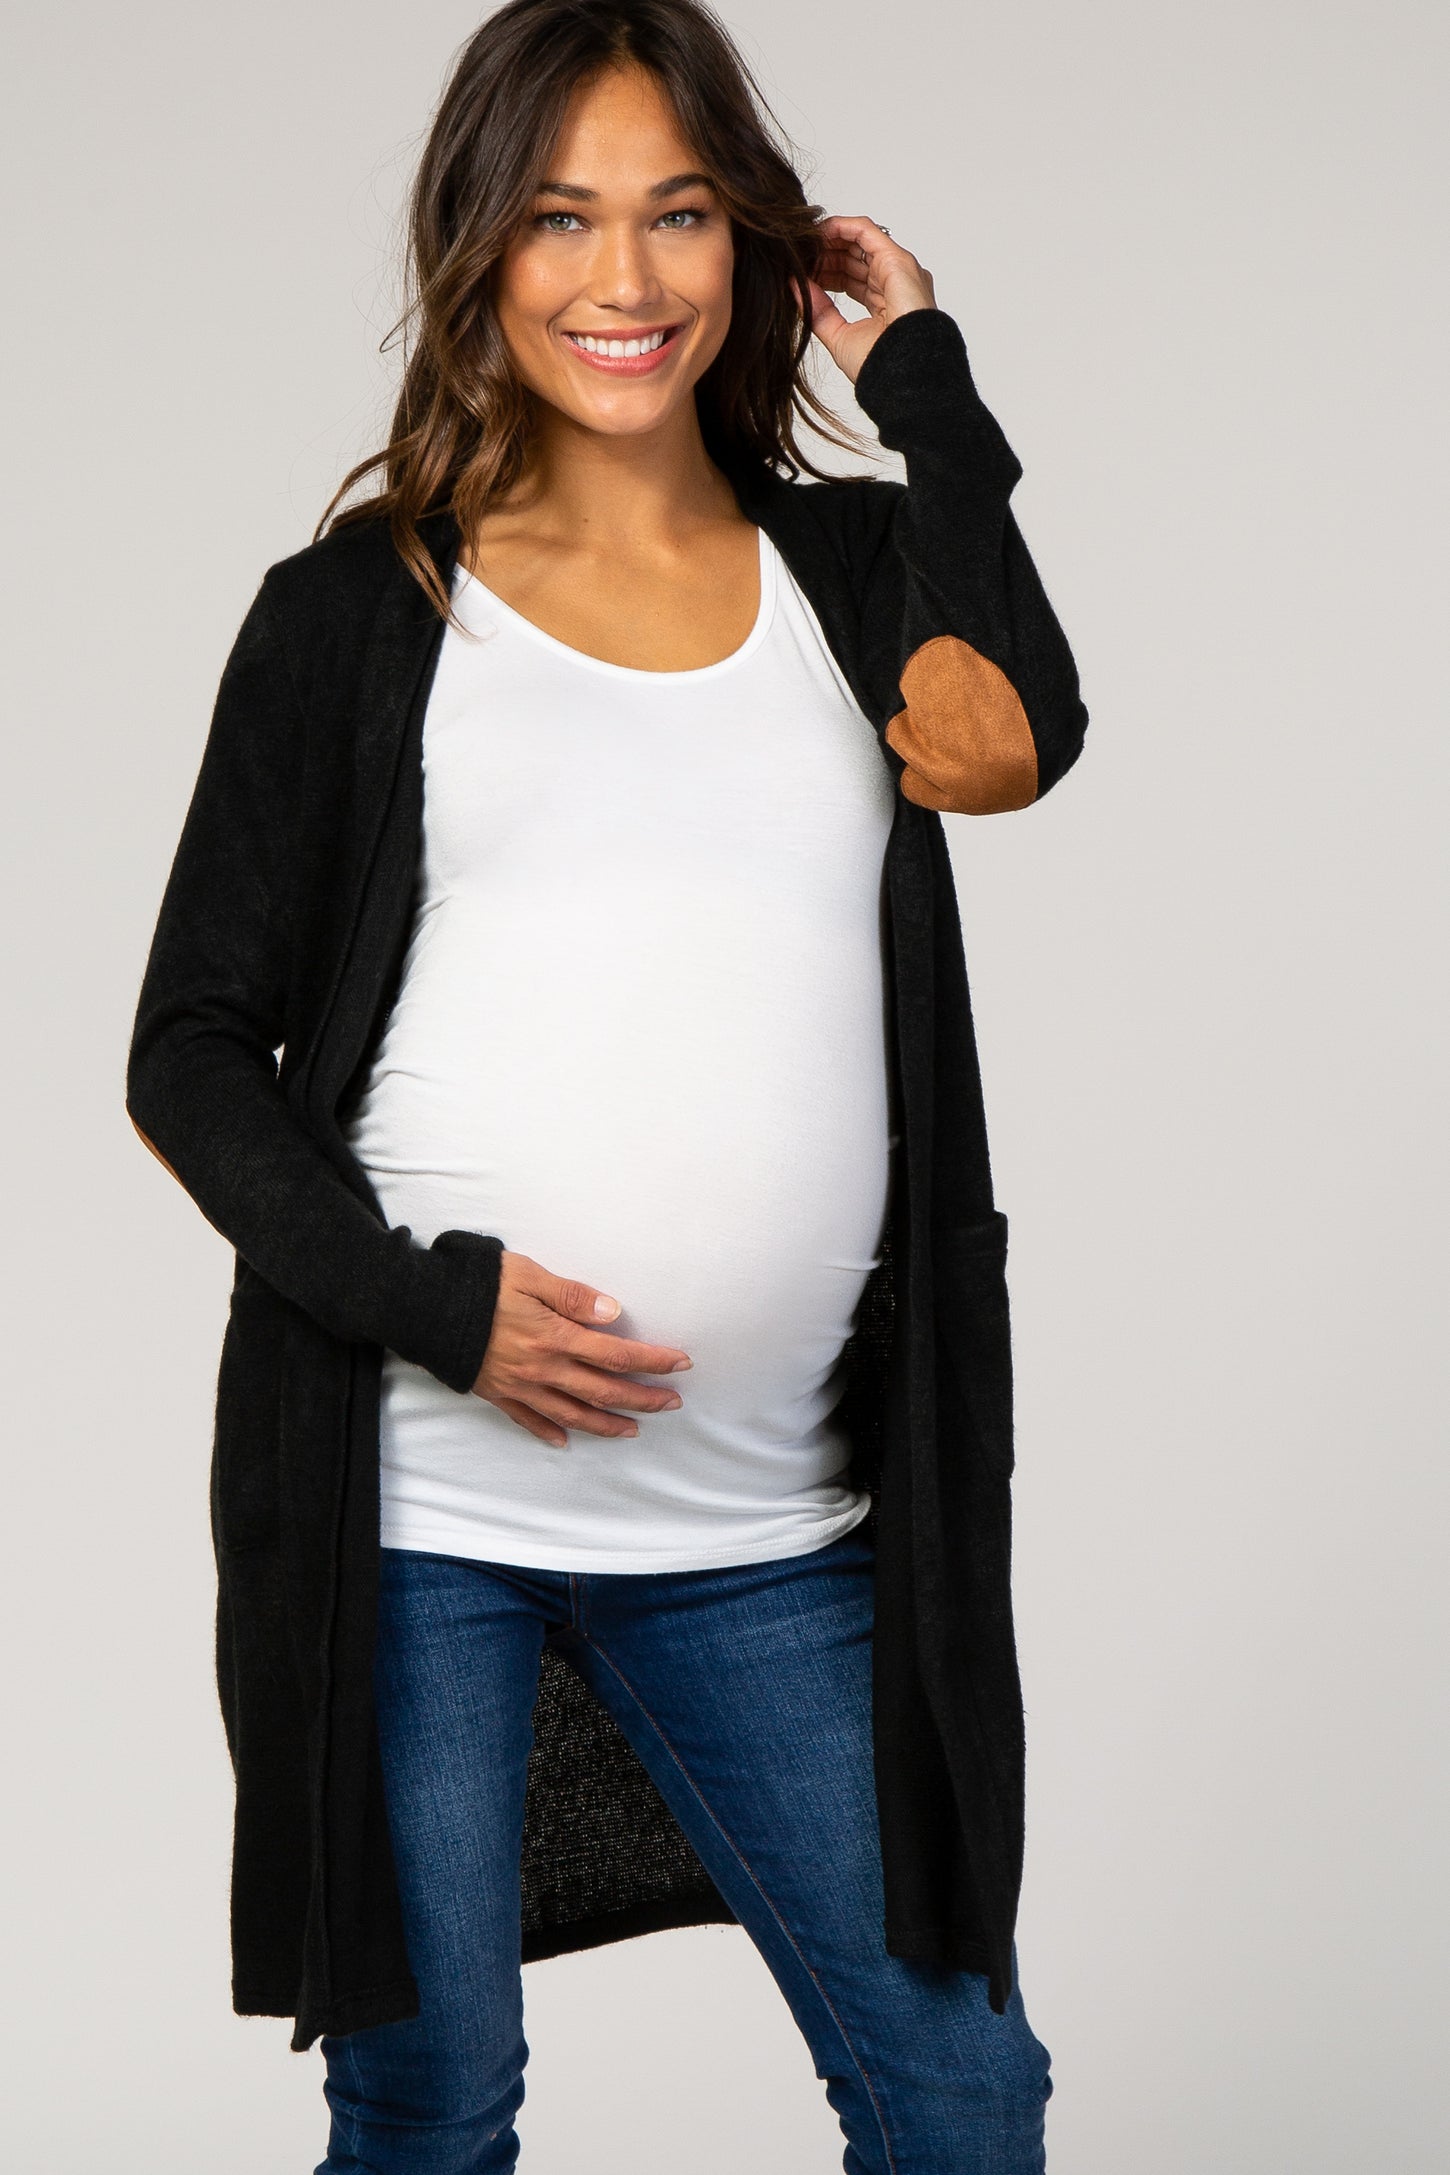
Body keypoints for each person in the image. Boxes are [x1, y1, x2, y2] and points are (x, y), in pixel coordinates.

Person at [126, 1, 1090, 2167]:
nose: (623, 277)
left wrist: (921, 374)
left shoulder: (847, 580)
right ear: (478, 248)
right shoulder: (357, 614)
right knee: (432, 2102)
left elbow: (1014, 734)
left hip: (764, 1531)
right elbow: (188, 1051)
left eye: (676, 214)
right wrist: (433, 1306)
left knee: (957, 2094)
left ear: (752, 244)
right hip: (420, 1519)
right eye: (560, 218)